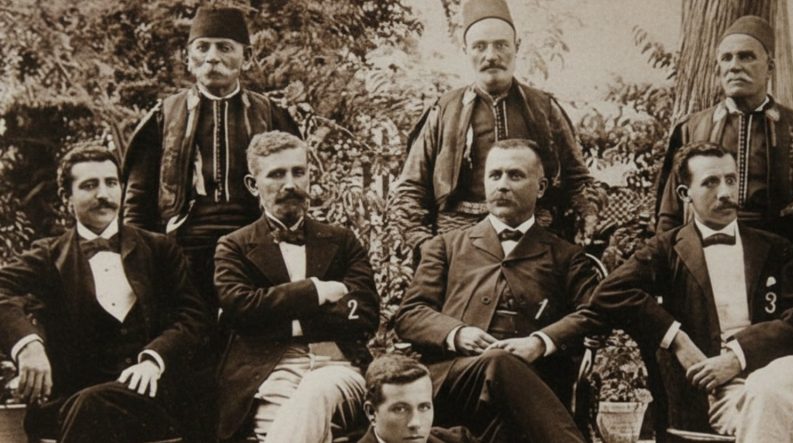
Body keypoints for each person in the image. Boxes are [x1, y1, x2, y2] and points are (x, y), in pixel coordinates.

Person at [593, 142, 793, 442]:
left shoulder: (778, 249)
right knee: (784, 420)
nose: (726, 193)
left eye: (731, 180)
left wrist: (737, 356)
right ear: (684, 195)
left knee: (767, 391)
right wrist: (676, 338)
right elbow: (609, 293)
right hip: (726, 391)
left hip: (789, 373)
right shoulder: (666, 250)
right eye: (710, 183)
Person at [394, 139, 602, 442]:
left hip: (532, 389)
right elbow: (410, 315)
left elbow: (595, 313)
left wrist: (540, 342)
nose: (502, 185)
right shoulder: (446, 246)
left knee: (508, 426)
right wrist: (457, 334)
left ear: (541, 187)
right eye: (495, 175)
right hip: (454, 381)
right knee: (499, 362)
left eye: (515, 175)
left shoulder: (566, 256)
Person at [0, 146, 210, 442]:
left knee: (93, 407)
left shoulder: (159, 249)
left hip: (152, 395)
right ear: (66, 198)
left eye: (111, 183)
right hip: (75, 398)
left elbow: (193, 316)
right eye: (89, 185)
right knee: (89, 406)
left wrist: (154, 358)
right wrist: (27, 346)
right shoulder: (48, 256)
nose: (103, 194)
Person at [653, 15, 793, 298]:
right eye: (727, 58)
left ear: (769, 68)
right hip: (706, 266)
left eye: (746, 57)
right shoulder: (692, 128)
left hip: (782, 268)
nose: (734, 66)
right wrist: (664, 278)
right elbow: (668, 212)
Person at [122, 6, 301, 306]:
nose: (212, 57)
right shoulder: (164, 117)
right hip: (182, 250)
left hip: (256, 248)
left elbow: (294, 191)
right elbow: (137, 202)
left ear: (247, 56)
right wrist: (141, 262)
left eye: (225, 47)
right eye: (202, 47)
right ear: (187, 58)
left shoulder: (272, 116)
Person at [391, 0, 598, 252]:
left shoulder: (545, 108)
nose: (491, 56)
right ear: (465, 49)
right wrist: (426, 246)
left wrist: (587, 214)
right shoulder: (443, 111)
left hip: (535, 241)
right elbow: (410, 188)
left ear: (516, 47)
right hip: (458, 242)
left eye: (501, 45)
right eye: (479, 46)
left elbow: (579, 180)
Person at [214, 131, 380, 442]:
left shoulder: (340, 240)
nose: (290, 184)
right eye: (277, 174)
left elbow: (366, 313)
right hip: (270, 370)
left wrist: (275, 310)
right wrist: (316, 292)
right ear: (253, 185)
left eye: (298, 172)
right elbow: (239, 309)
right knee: (279, 427)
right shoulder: (234, 246)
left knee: (317, 392)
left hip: (339, 365)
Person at [359, 354, 478, 443]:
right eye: (400, 409)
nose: (415, 423)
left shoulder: (457, 440)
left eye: (424, 407)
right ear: (371, 413)